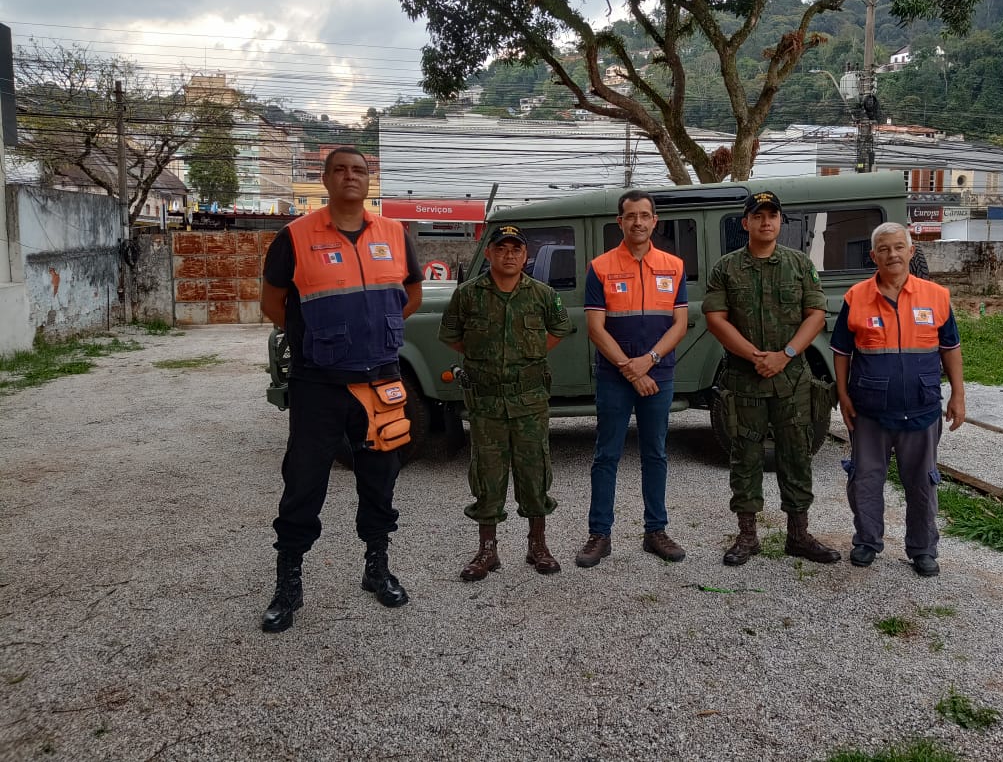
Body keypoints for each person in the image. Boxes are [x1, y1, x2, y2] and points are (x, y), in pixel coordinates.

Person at [258, 146, 423, 632]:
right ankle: (289, 583)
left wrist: (385, 328)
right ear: (325, 179)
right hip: (319, 384)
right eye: (340, 170)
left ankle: (377, 568)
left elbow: (410, 292)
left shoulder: (394, 233)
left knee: (380, 476)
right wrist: (319, 341)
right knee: (304, 482)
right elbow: (274, 303)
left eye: (359, 170)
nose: (350, 177)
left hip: (380, 381)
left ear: (369, 180)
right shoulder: (295, 235)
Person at [703, 190, 841, 566]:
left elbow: (815, 314)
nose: (766, 222)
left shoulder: (799, 264)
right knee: (744, 457)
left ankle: (798, 535)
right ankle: (747, 536)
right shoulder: (726, 268)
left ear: (780, 222)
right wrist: (754, 356)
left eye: (773, 216)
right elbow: (716, 319)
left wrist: (786, 355)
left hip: (792, 381)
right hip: (745, 382)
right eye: (758, 216)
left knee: (797, 454)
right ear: (745, 222)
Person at [439, 224, 574, 581]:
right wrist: (484, 357)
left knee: (534, 472)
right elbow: (450, 335)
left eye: (516, 249)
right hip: (486, 401)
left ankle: (537, 545)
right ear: (489, 254)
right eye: (501, 249)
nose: (509, 255)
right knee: (487, 474)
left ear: (525, 255)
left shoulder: (543, 294)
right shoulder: (468, 294)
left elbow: (560, 328)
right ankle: (487, 550)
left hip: (529, 399)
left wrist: (530, 354)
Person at [831, 221, 965, 577]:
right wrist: (842, 394)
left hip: (921, 410)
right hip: (869, 412)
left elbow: (950, 348)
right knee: (865, 480)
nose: (892, 254)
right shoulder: (855, 297)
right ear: (873, 256)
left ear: (911, 251)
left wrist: (958, 395)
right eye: (884, 249)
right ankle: (866, 541)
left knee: (922, 484)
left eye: (898, 247)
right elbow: (841, 351)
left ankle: (923, 549)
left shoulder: (936, 296)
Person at [575, 190, 689, 568]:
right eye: (630, 216)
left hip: (659, 374)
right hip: (614, 376)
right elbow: (595, 328)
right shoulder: (600, 266)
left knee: (655, 453)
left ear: (654, 221)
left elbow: (680, 323)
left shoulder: (673, 265)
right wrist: (630, 367)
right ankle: (599, 534)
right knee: (606, 454)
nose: (638, 222)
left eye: (644, 215)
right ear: (619, 221)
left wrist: (649, 361)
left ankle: (655, 530)